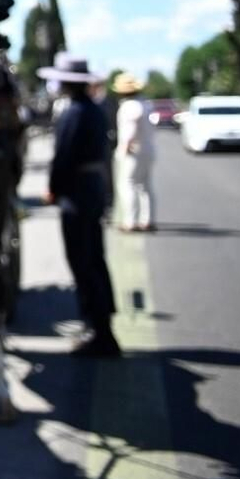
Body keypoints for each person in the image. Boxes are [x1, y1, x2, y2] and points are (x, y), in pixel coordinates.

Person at [39, 53, 121, 357]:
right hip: (92, 189)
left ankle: (98, 330)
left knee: (82, 261)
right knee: (95, 258)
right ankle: (103, 325)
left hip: (77, 193)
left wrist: (52, 188)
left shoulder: (74, 113)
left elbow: (63, 157)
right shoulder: (92, 109)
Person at [111, 73, 155, 232]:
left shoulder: (129, 106)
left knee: (127, 185)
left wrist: (126, 147)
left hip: (133, 151)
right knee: (145, 186)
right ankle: (147, 219)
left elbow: (131, 129)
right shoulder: (145, 104)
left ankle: (130, 221)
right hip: (148, 149)